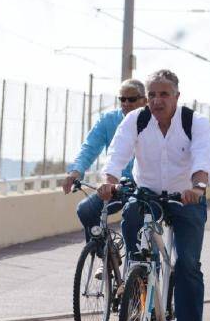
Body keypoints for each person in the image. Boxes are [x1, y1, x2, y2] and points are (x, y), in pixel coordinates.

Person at [98, 69, 210, 321]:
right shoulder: (135, 120)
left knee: (186, 263)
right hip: (148, 193)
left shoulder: (195, 122)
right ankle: (139, 295)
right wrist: (110, 181)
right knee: (133, 228)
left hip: (185, 196)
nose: (156, 100)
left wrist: (198, 186)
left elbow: (203, 158)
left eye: (163, 94)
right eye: (151, 94)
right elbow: (118, 154)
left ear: (177, 96)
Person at [61, 79, 146, 241]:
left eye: (132, 99)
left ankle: (145, 263)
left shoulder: (153, 121)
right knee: (85, 210)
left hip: (144, 188)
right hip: (115, 186)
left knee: (137, 225)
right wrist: (75, 172)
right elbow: (89, 148)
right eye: (122, 99)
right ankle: (105, 254)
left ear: (144, 100)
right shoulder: (108, 120)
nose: (126, 103)